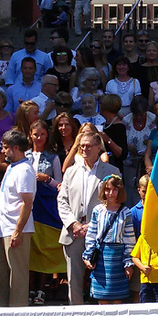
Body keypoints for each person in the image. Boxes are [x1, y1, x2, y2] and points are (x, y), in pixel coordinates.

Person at [58, 130, 121, 305]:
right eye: (81, 146)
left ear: (98, 148)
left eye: (88, 145)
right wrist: (73, 224)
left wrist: (91, 225)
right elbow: (62, 201)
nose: (84, 149)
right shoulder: (70, 172)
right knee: (74, 280)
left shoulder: (111, 171)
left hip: (100, 232)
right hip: (74, 233)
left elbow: (115, 200)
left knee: (103, 279)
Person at [0, 130, 36, 306]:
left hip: (16, 229)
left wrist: (17, 231)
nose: (2, 151)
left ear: (15, 148)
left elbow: (27, 203)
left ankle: (17, 312)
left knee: (17, 274)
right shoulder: (11, 167)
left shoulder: (25, 170)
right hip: (1, 228)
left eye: (5, 147)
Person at [27, 119, 65, 303]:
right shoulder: (24, 156)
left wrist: (46, 178)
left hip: (45, 208)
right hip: (28, 207)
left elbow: (60, 184)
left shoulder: (54, 157)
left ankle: (41, 289)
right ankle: (30, 289)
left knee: (42, 248)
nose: (39, 138)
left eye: (42, 134)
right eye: (36, 134)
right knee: (30, 248)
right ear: (30, 135)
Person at [82, 175, 135, 304]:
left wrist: (128, 262)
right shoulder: (98, 211)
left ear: (120, 191)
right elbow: (92, 234)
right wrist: (88, 255)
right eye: (107, 189)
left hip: (118, 257)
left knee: (117, 298)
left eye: (114, 190)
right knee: (102, 298)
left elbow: (129, 239)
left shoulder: (125, 212)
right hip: (101, 256)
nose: (110, 193)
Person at [131, 233, 158, 303]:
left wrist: (153, 240)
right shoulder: (142, 238)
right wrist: (142, 267)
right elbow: (135, 257)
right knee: (146, 307)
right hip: (146, 279)